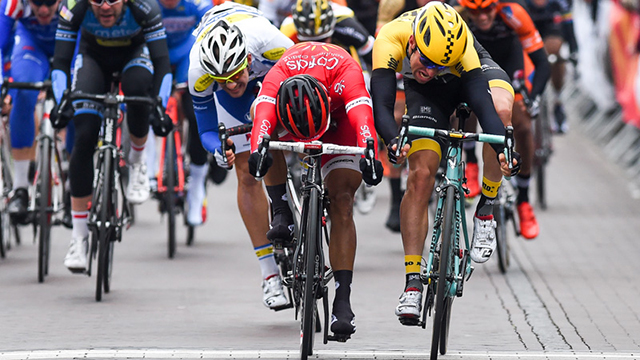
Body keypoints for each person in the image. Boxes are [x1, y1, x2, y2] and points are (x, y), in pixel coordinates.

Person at [371, 2, 520, 323]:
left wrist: (504, 147)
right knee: (420, 175)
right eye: (424, 61)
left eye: (437, 66)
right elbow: (381, 104)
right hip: (429, 96)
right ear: (412, 44)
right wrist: (392, 141)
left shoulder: (462, 46)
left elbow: (483, 105)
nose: (428, 70)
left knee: (502, 113)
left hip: (471, 71)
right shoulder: (390, 38)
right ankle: (412, 283)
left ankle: (487, 207)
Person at [247, 42, 384, 338]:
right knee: (265, 139)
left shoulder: (346, 72)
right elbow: (260, 120)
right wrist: (259, 151)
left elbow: (362, 117)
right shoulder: (278, 75)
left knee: (343, 201)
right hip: (292, 114)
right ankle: (281, 209)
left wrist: (371, 152)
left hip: (338, 121)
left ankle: (343, 299)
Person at [51, 0, 173, 272]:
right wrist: (61, 101)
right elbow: (60, 62)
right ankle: (78, 237)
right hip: (92, 58)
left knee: (139, 89)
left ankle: (138, 161)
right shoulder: (74, 6)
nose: (105, 7)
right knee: (83, 138)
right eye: (97, 0)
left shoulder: (145, 7)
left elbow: (162, 64)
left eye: (112, 0)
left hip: (134, 56)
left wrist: (161, 105)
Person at [187, 2, 295, 309]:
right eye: (222, 81)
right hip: (231, 74)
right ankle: (269, 275)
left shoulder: (271, 42)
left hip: (270, 73)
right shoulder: (200, 71)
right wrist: (218, 149)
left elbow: (305, 76)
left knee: (279, 128)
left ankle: (296, 205)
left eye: (235, 76)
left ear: (246, 60)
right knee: (247, 172)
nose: (231, 84)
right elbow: (206, 129)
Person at [459, 0, 551, 240]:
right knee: (463, 105)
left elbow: (542, 63)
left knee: (521, 125)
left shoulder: (513, 13)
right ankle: (470, 162)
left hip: (510, 69)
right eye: (475, 11)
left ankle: (523, 200)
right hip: (473, 68)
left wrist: (534, 97)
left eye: (487, 9)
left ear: (496, 6)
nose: (481, 17)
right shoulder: (457, 16)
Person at [148, 0, 213, 227]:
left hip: (187, 54)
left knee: (196, 118)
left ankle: (196, 188)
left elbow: (212, 24)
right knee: (146, 106)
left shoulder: (197, 3)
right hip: (156, 54)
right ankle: (149, 167)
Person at [0, 0, 60, 223]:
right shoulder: (12, 4)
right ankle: (21, 188)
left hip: (68, 45)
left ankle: (75, 184)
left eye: (49, 2)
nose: (43, 10)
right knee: (23, 92)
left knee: (78, 99)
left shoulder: (74, 4)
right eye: (37, 2)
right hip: (31, 47)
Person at [526, 0, 578, 133]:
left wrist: (574, 49)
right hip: (528, 23)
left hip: (551, 27)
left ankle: (558, 100)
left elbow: (568, 24)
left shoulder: (559, 3)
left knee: (554, 51)